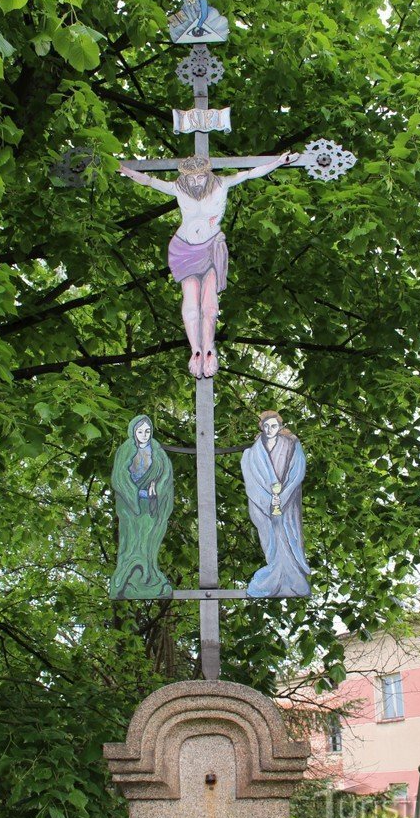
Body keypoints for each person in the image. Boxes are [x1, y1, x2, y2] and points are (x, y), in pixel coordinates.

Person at [119, 152, 298, 379]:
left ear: (207, 173)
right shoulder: (179, 188)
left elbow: (251, 173)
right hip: (184, 249)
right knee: (191, 300)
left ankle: (209, 347)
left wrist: (278, 162)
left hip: (211, 247)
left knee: (209, 305)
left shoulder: (222, 184)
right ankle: (195, 350)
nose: (195, 182)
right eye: (191, 178)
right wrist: (126, 170)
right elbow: (150, 182)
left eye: (199, 177)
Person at [241, 410, 310, 597]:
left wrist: (282, 496)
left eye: (274, 425)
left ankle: (292, 579)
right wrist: (269, 500)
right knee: (269, 538)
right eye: (266, 426)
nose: (270, 429)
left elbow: (297, 472)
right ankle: (275, 573)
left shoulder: (291, 445)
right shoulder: (253, 452)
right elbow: (252, 478)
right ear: (261, 427)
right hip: (263, 504)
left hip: (286, 503)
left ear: (280, 426)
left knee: (286, 537)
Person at [110, 415, 173, 599]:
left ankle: (149, 577)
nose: (144, 435)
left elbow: (166, 476)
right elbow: (119, 476)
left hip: (151, 506)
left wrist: (156, 488)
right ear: (133, 432)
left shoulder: (159, 452)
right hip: (131, 508)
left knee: (149, 541)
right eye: (140, 431)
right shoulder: (125, 450)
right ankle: (128, 578)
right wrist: (135, 494)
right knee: (131, 541)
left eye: (147, 431)